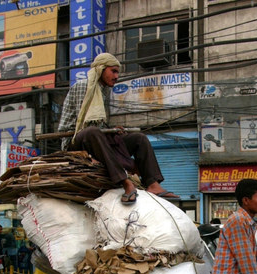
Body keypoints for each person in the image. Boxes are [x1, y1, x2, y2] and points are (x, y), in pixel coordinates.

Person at [58, 53, 179, 205]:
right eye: (113, 71)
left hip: (97, 139)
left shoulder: (103, 91)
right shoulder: (84, 86)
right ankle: (125, 182)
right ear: (101, 69)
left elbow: (99, 125)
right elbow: (84, 124)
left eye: (117, 72)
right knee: (93, 132)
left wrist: (112, 130)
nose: (116, 76)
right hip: (76, 141)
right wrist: (106, 133)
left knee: (138, 138)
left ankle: (152, 183)